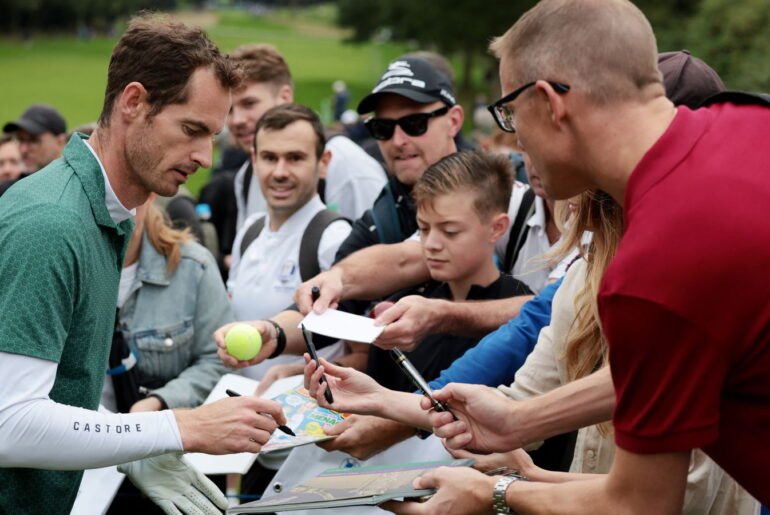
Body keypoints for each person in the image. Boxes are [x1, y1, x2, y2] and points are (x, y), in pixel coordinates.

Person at [399, 0, 770, 512]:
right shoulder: (750, 120)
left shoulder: (653, 269)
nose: (513, 136)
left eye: (509, 112)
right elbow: (673, 363)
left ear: (551, 103)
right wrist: (520, 421)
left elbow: (639, 506)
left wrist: (496, 492)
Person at [0, 15, 286, 515]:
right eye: (192, 129)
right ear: (133, 102)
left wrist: (134, 447)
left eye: (213, 136)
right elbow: (9, 424)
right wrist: (177, 428)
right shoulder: (51, 222)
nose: (203, 155)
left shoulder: (107, 213)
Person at [265, 149, 532, 514]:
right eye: (423, 229)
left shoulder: (522, 314)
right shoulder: (400, 307)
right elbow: (373, 396)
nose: (432, 244)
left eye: (450, 230)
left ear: (497, 228)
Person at [224, 103, 353, 382]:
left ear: (324, 163)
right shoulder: (250, 231)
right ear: (254, 160)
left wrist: (293, 375)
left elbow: (364, 355)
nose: (280, 172)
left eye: (295, 158)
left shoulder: (334, 237)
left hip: (307, 421)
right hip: (244, 412)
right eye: (270, 158)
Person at [226, 43, 385, 233]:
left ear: (285, 97)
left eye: (249, 103)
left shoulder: (346, 164)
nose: (236, 120)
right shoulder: (246, 175)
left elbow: (378, 253)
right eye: (229, 109)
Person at [3, 102, 67, 174]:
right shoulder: (11, 184)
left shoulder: (76, 184)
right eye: (20, 140)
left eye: (34, 141)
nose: (24, 149)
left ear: (60, 142)